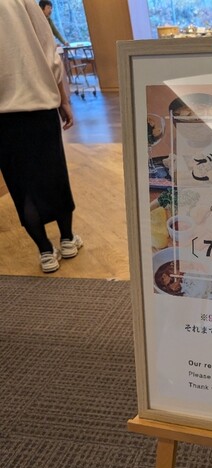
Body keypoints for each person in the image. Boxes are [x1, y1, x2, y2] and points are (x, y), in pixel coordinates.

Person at [0, 0, 82, 273]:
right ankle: (67, 240)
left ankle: (45, 251)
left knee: (20, 185)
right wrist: (64, 100)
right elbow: (50, 54)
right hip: (39, 104)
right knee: (54, 176)